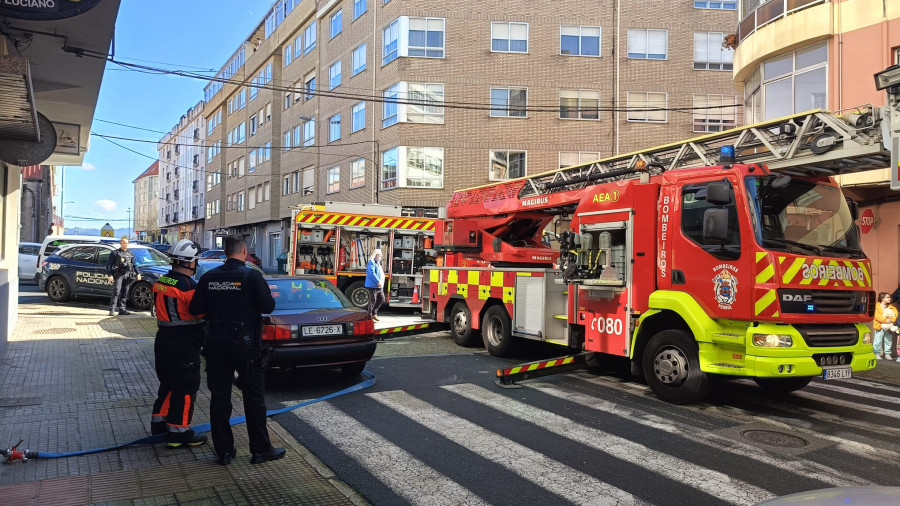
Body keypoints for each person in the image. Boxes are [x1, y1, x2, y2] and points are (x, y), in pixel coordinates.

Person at [189, 235, 284, 466]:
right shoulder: (252, 275)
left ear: (225, 252)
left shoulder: (209, 277)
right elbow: (267, 306)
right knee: (254, 398)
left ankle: (224, 451)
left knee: (219, 399)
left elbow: (196, 309)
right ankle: (261, 449)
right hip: (246, 345)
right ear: (244, 252)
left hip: (216, 344)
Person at [150, 239, 208, 448]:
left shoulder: (161, 281)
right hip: (184, 343)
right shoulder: (189, 287)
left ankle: (159, 426)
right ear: (190, 262)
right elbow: (200, 313)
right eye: (196, 261)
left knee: (168, 384)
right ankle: (179, 432)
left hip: (163, 339)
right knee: (185, 387)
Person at [106, 237, 141, 316]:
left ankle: (122, 309)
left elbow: (134, 264)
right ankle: (112, 309)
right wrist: (110, 275)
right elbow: (108, 265)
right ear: (120, 243)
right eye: (124, 243)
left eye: (127, 243)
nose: (126, 244)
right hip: (119, 274)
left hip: (128, 274)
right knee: (116, 291)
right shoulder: (115, 253)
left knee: (125, 292)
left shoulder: (131, 254)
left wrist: (138, 273)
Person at [873, 292, 898, 360]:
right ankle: (876, 353)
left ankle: (887, 354)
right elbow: (877, 316)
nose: (889, 299)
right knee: (877, 340)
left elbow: (894, 316)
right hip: (879, 326)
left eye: (889, 297)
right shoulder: (876, 307)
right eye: (887, 297)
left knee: (888, 340)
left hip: (889, 326)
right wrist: (886, 320)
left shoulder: (892, 308)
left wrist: (890, 320)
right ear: (882, 299)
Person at [365, 249, 385, 321]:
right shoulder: (372, 262)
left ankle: (374, 313)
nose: (380, 256)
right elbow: (372, 273)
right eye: (379, 255)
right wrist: (377, 281)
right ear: (376, 255)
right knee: (372, 301)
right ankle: (369, 316)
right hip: (373, 285)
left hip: (379, 286)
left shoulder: (377, 263)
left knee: (381, 299)